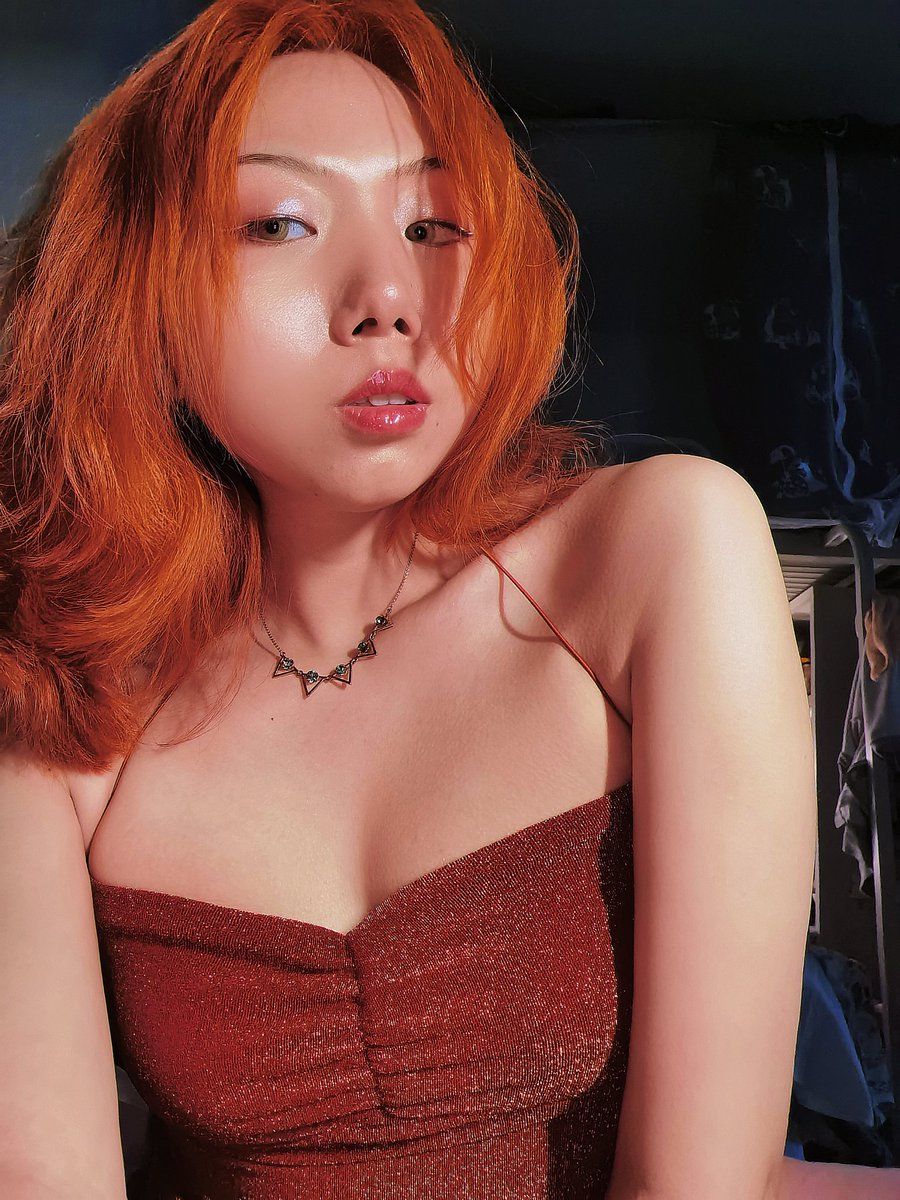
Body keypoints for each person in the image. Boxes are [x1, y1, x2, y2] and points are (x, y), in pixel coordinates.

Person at [1, 2, 898, 1198]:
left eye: (433, 223)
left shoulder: (650, 551)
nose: (389, 295)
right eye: (278, 223)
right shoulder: (70, 685)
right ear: (137, 293)